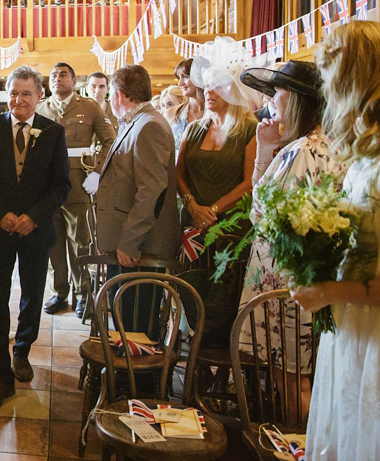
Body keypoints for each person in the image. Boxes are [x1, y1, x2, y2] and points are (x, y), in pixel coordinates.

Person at [290, 21, 380, 460]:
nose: (327, 88)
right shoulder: (372, 151)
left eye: (332, 73)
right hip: (357, 336)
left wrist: (331, 290)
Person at [236, 60, 342, 417]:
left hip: (288, 283)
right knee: (301, 380)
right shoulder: (327, 145)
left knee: (292, 383)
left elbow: (261, 216)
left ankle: (302, 449)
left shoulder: (301, 152)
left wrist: (266, 151)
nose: (272, 101)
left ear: (295, 99)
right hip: (308, 278)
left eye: (277, 92)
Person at [0, 65, 70, 409]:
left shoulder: (53, 132)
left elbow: (61, 186)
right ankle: (1, 375)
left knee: (33, 294)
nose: (18, 100)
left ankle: (22, 350)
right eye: (12, 92)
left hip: (35, 231)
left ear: (40, 96)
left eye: (26, 93)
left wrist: (33, 218)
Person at [176, 37, 258, 346]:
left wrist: (213, 210)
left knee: (223, 295)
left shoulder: (249, 129)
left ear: (234, 91)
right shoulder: (195, 128)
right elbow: (179, 172)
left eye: (217, 88)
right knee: (191, 288)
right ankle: (195, 354)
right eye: (206, 87)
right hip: (193, 223)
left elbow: (249, 182)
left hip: (230, 227)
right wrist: (193, 205)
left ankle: (218, 357)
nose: (208, 93)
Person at [92, 65, 180, 335]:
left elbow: (150, 192)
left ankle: (136, 377)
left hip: (142, 247)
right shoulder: (137, 122)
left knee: (138, 322)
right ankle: (125, 371)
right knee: (125, 316)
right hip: (131, 244)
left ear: (118, 95)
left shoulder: (149, 126)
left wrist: (130, 242)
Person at [36, 62, 115, 318]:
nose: (57, 79)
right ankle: (59, 292)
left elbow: (110, 141)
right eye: (53, 75)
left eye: (63, 75)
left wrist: (96, 172)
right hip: (48, 186)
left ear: (73, 80)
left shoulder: (89, 106)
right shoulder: (41, 108)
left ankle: (83, 294)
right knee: (52, 242)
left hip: (79, 184)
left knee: (81, 242)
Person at [170, 58, 205, 152]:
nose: (180, 83)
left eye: (185, 77)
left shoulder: (215, 113)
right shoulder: (171, 114)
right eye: (179, 78)